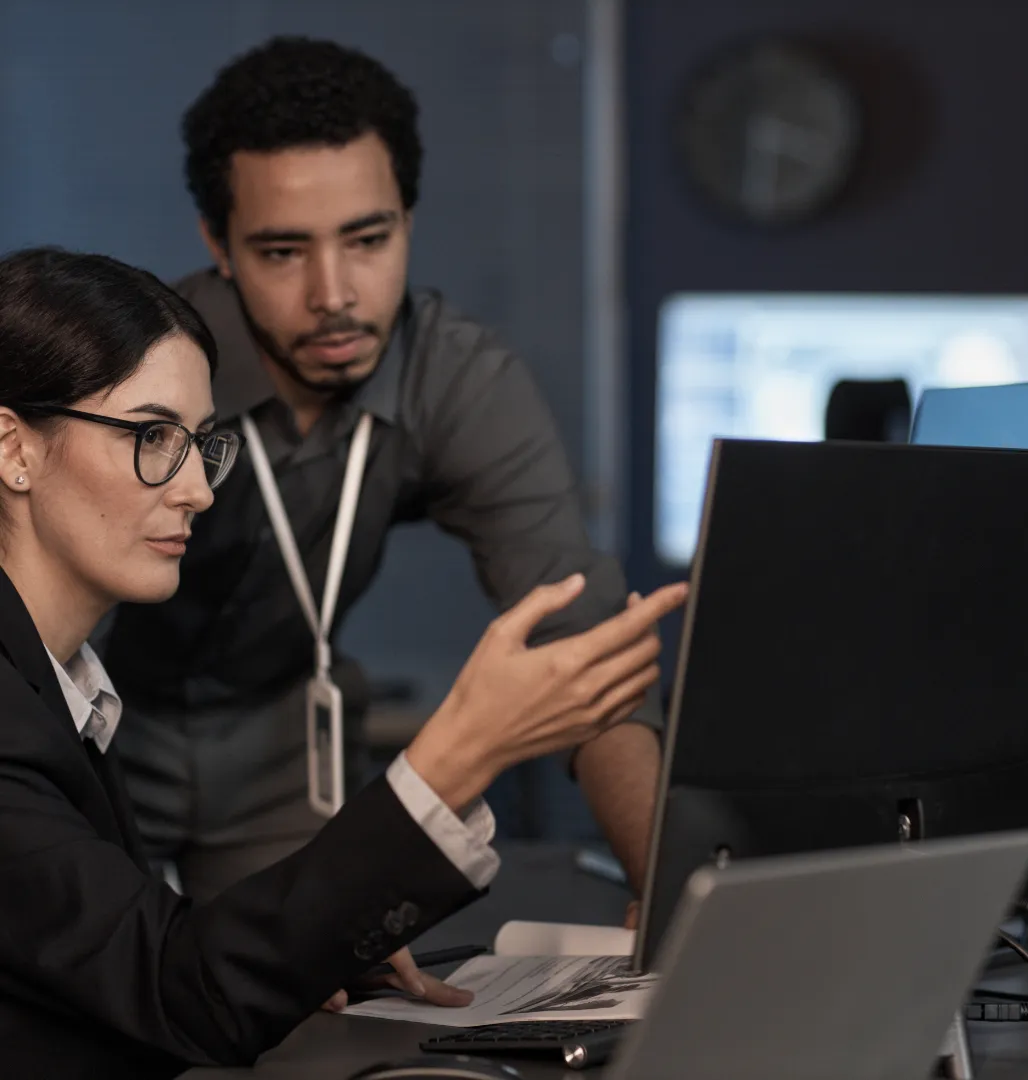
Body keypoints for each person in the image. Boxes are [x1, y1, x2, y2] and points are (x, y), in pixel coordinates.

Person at [0, 247, 687, 1079]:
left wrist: (312, 950)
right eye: (152, 436)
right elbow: (174, 991)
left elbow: (104, 958)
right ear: (14, 450)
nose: (198, 491)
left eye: (200, 443)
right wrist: (463, 749)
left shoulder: (57, 687)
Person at [101, 35, 666, 905]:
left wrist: (672, 898)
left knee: (318, 1000)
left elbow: (582, 650)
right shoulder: (144, 364)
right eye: (284, 252)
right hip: (94, 721)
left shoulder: (459, 378)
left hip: (285, 737)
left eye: (368, 238)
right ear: (219, 242)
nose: (334, 293)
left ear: (408, 217)